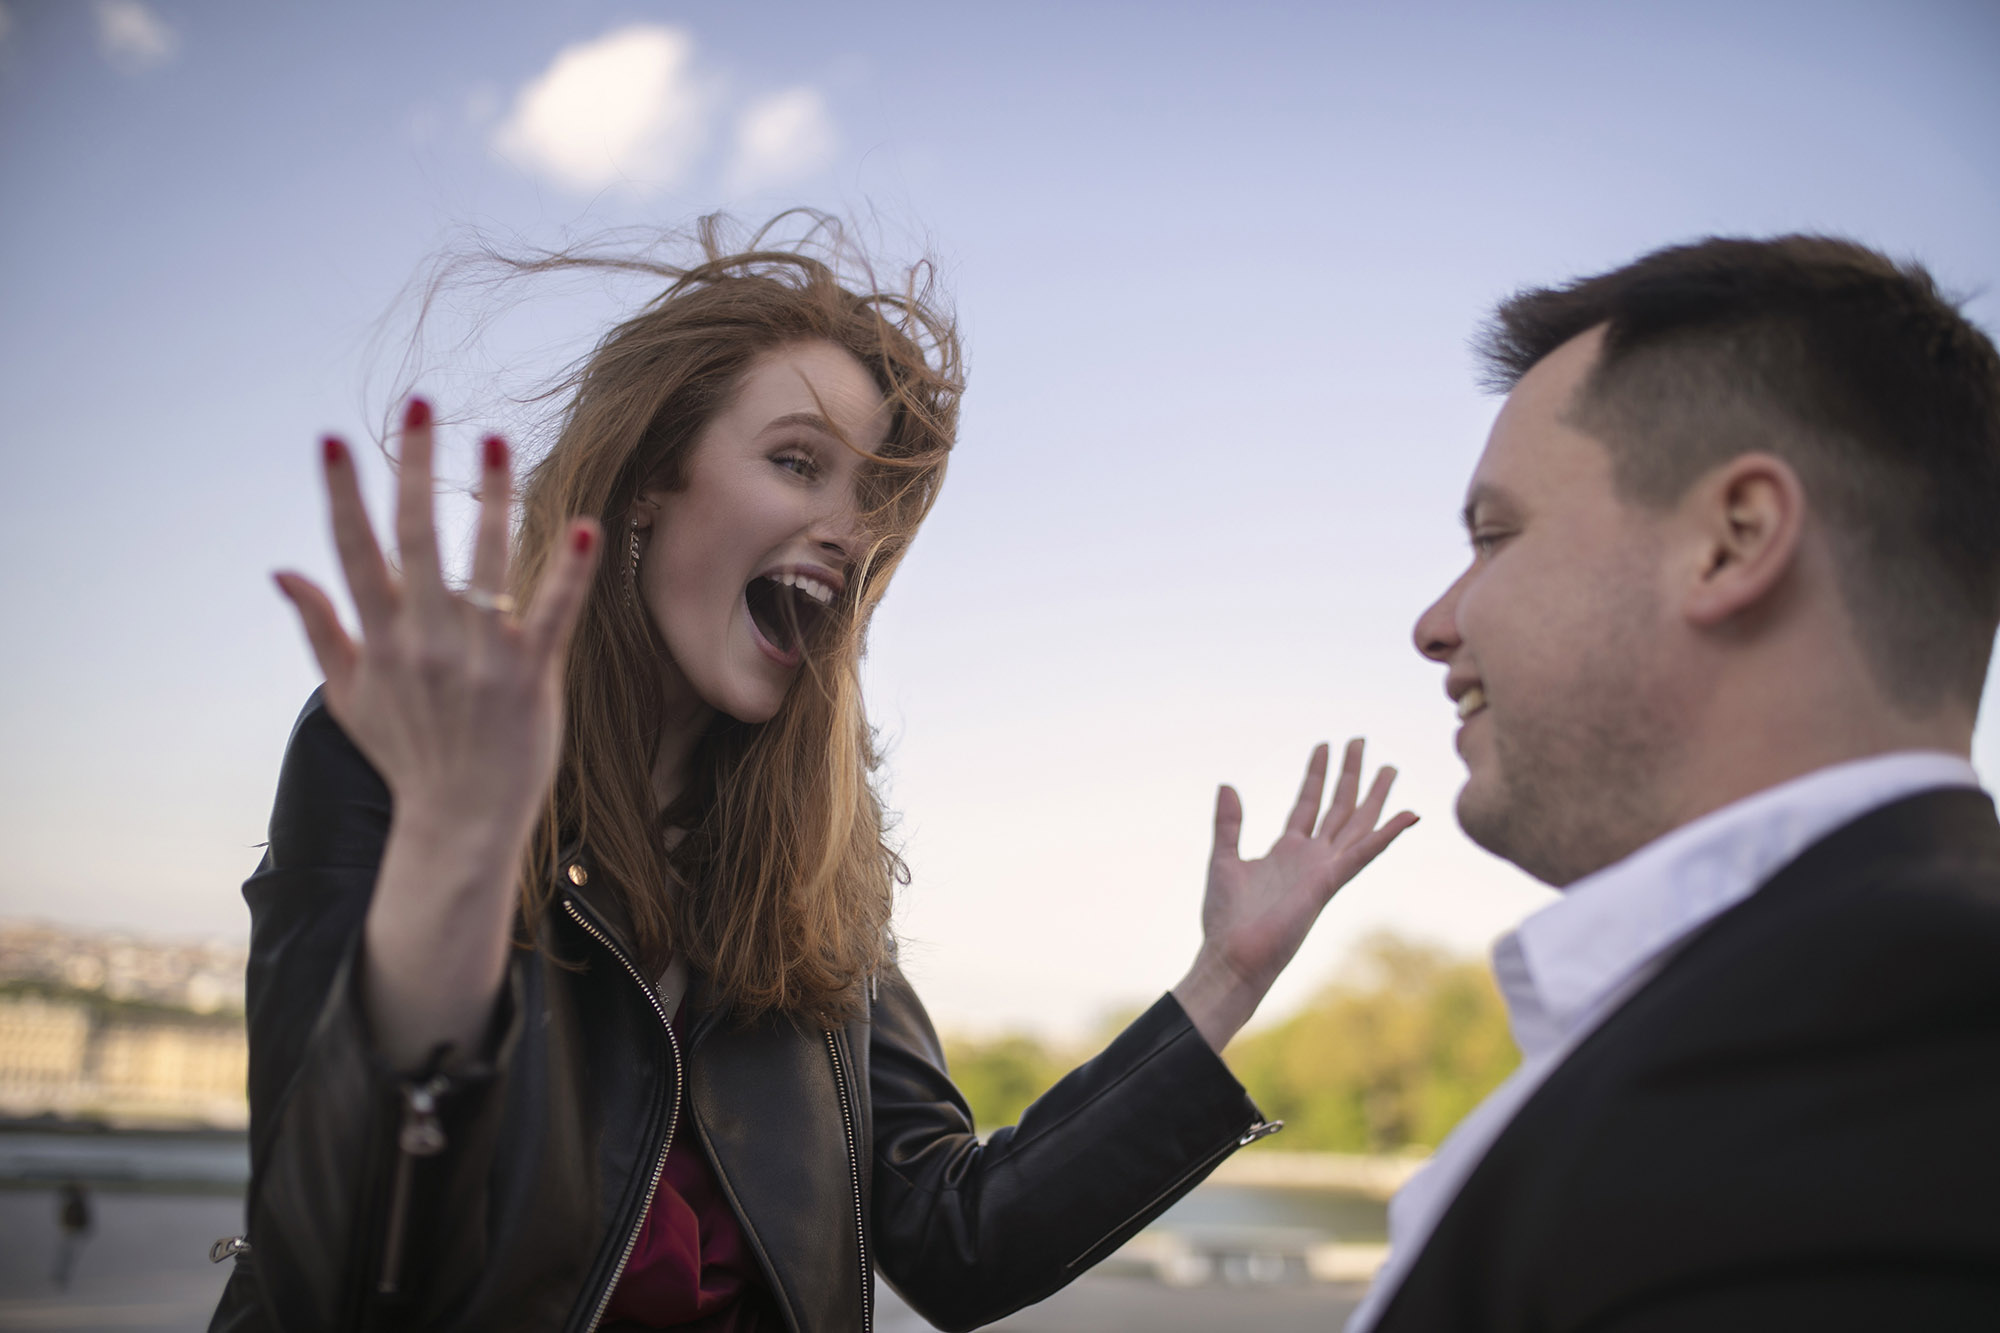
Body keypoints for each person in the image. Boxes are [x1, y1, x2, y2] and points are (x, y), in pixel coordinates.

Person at [206, 219, 1417, 1333]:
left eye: (872, 499)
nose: (850, 529)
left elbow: (955, 1236)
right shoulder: (410, 745)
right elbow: (335, 1263)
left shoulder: (815, 856)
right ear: (647, 482)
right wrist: (451, 890)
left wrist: (1225, 978)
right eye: (797, 463)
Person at [1348, 235, 2000, 1332]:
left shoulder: (1892, 1044)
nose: (1434, 623)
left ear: (1731, 541)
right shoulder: (1769, 1019)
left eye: (1495, 535)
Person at [52, 1180, 92, 1288]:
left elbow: (80, 1217)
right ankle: (62, 1274)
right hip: (72, 1231)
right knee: (68, 1254)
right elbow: (78, 1217)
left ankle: (62, 1274)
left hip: (73, 1231)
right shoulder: (76, 1203)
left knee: (68, 1254)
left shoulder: (75, 1202)